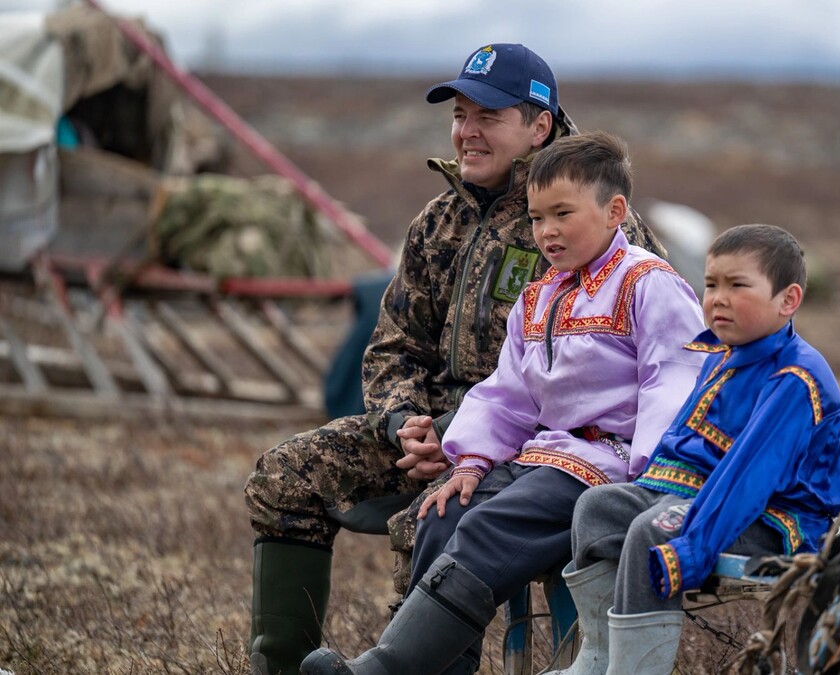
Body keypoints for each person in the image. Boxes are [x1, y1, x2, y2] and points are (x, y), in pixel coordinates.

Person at [243, 44, 666, 675]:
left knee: (431, 517)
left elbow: (619, 374)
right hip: (426, 434)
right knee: (286, 477)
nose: (467, 131)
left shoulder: (591, 223)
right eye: (460, 115)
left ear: (539, 126)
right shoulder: (438, 222)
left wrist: (455, 436)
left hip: (532, 447)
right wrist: (404, 423)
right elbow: (393, 344)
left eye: (488, 117)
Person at [299, 131, 707, 675]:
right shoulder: (540, 296)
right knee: (442, 515)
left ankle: (388, 668)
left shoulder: (648, 283)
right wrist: (471, 459)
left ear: (615, 212)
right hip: (544, 457)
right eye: (537, 218)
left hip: (610, 467)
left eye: (562, 214)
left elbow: (674, 380)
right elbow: (507, 393)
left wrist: (651, 479)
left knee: (489, 527)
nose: (547, 231)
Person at [548, 223, 840, 675]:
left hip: (774, 518)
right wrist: (647, 491)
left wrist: (692, 548)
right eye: (711, 284)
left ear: (788, 300)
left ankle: (634, 670)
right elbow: (683, 448)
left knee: (652, 530)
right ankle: (598, 657)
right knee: (597, 508)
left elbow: (745, 479)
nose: (718, 299)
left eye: (737, 286)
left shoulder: (793, 379)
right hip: (700, 492)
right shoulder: (722, 353)